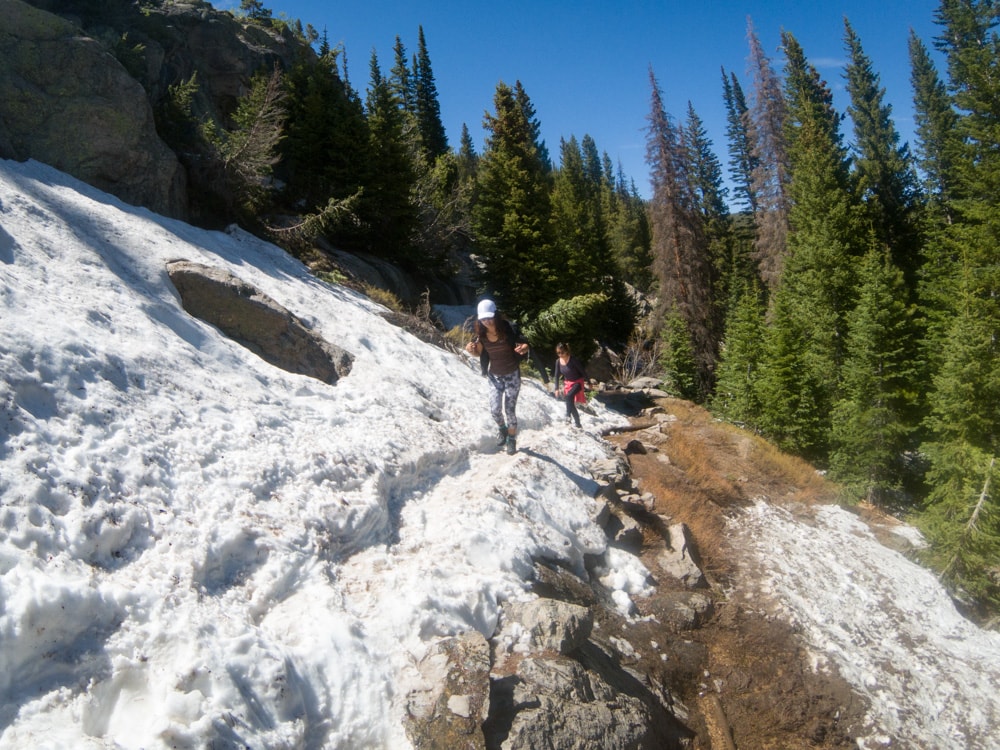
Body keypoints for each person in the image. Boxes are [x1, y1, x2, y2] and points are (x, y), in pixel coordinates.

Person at [465, 299, 530, 454]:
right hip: (494, 376)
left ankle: (512, 440)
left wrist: (524, 348)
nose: (486, 321)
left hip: (512, 375)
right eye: (483, 318)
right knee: (495, 410)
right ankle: (503, 429)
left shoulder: (508, 328)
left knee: (509, 410)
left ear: (495, 315)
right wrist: (470, 350)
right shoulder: (481, 334)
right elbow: (478, 353)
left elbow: (525, 344)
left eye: (489, 317)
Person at [552, 342, 586, 428]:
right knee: (570, 402)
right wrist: (556, 388)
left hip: (578, 382)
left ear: (567, 351)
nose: (560, 355)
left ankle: (567, 416)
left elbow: (582, 371)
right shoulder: (558, 362)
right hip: (568, 383)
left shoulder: (573, 360)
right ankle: (578, 424)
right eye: (558, 353)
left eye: (562, 352)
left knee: (568, 397)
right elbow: (556, 376)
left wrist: (589, 382)